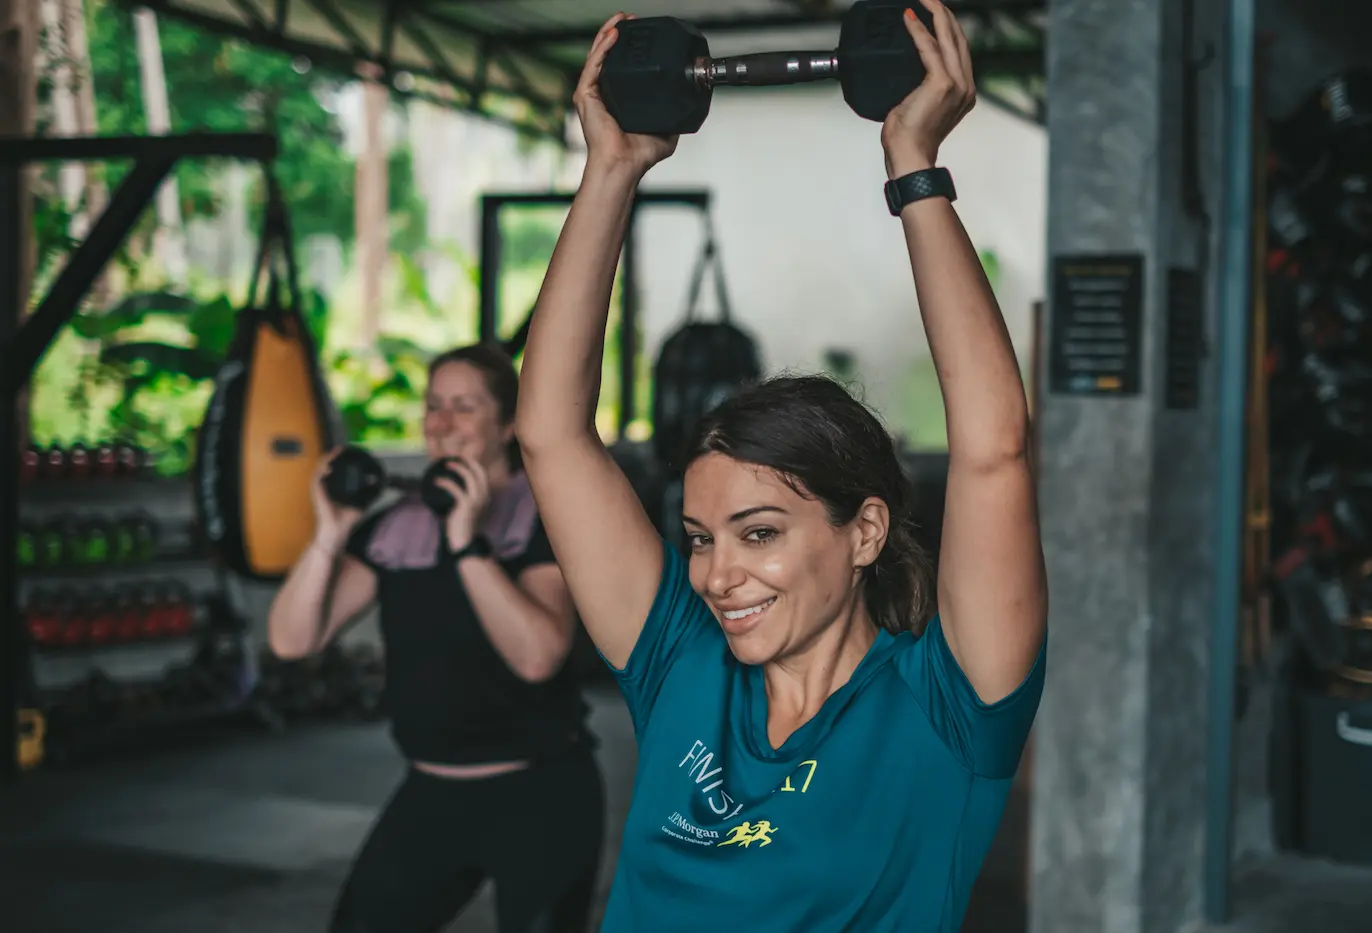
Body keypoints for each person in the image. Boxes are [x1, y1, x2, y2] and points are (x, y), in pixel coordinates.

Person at [515, 3, 1047, 931]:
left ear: (865, 530)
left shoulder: (947, 710)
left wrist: (914, 164)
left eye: (758, 533)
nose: (718, 575)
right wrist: (611, 171)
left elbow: (994, 449)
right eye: (699, 538)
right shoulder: (681, 665)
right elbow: (551, 436)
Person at [266, 343, 604, 933]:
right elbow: (293, 641)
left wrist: (465, 542)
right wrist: (330, 533)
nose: (442, 423)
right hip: (431, 794)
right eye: (433, 405)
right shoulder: (394, 527)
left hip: (540, 795)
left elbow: (538, 657)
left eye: (464, 407)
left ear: (507, 425)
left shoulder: (544, 517)